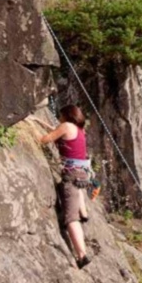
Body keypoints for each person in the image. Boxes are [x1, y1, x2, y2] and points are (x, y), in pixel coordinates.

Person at [36, 105, 93, 270]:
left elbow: (46, 139)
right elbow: (57, 131)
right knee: (75, 189)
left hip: (72, 174)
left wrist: (34, 133)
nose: (58, 117)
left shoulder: (66, 126)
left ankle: (82, 255)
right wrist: (38, 121)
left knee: (70, 218)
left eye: (60, 115)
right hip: (83, 173)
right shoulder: (79, 129)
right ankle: (84, 212)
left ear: (66, 115)